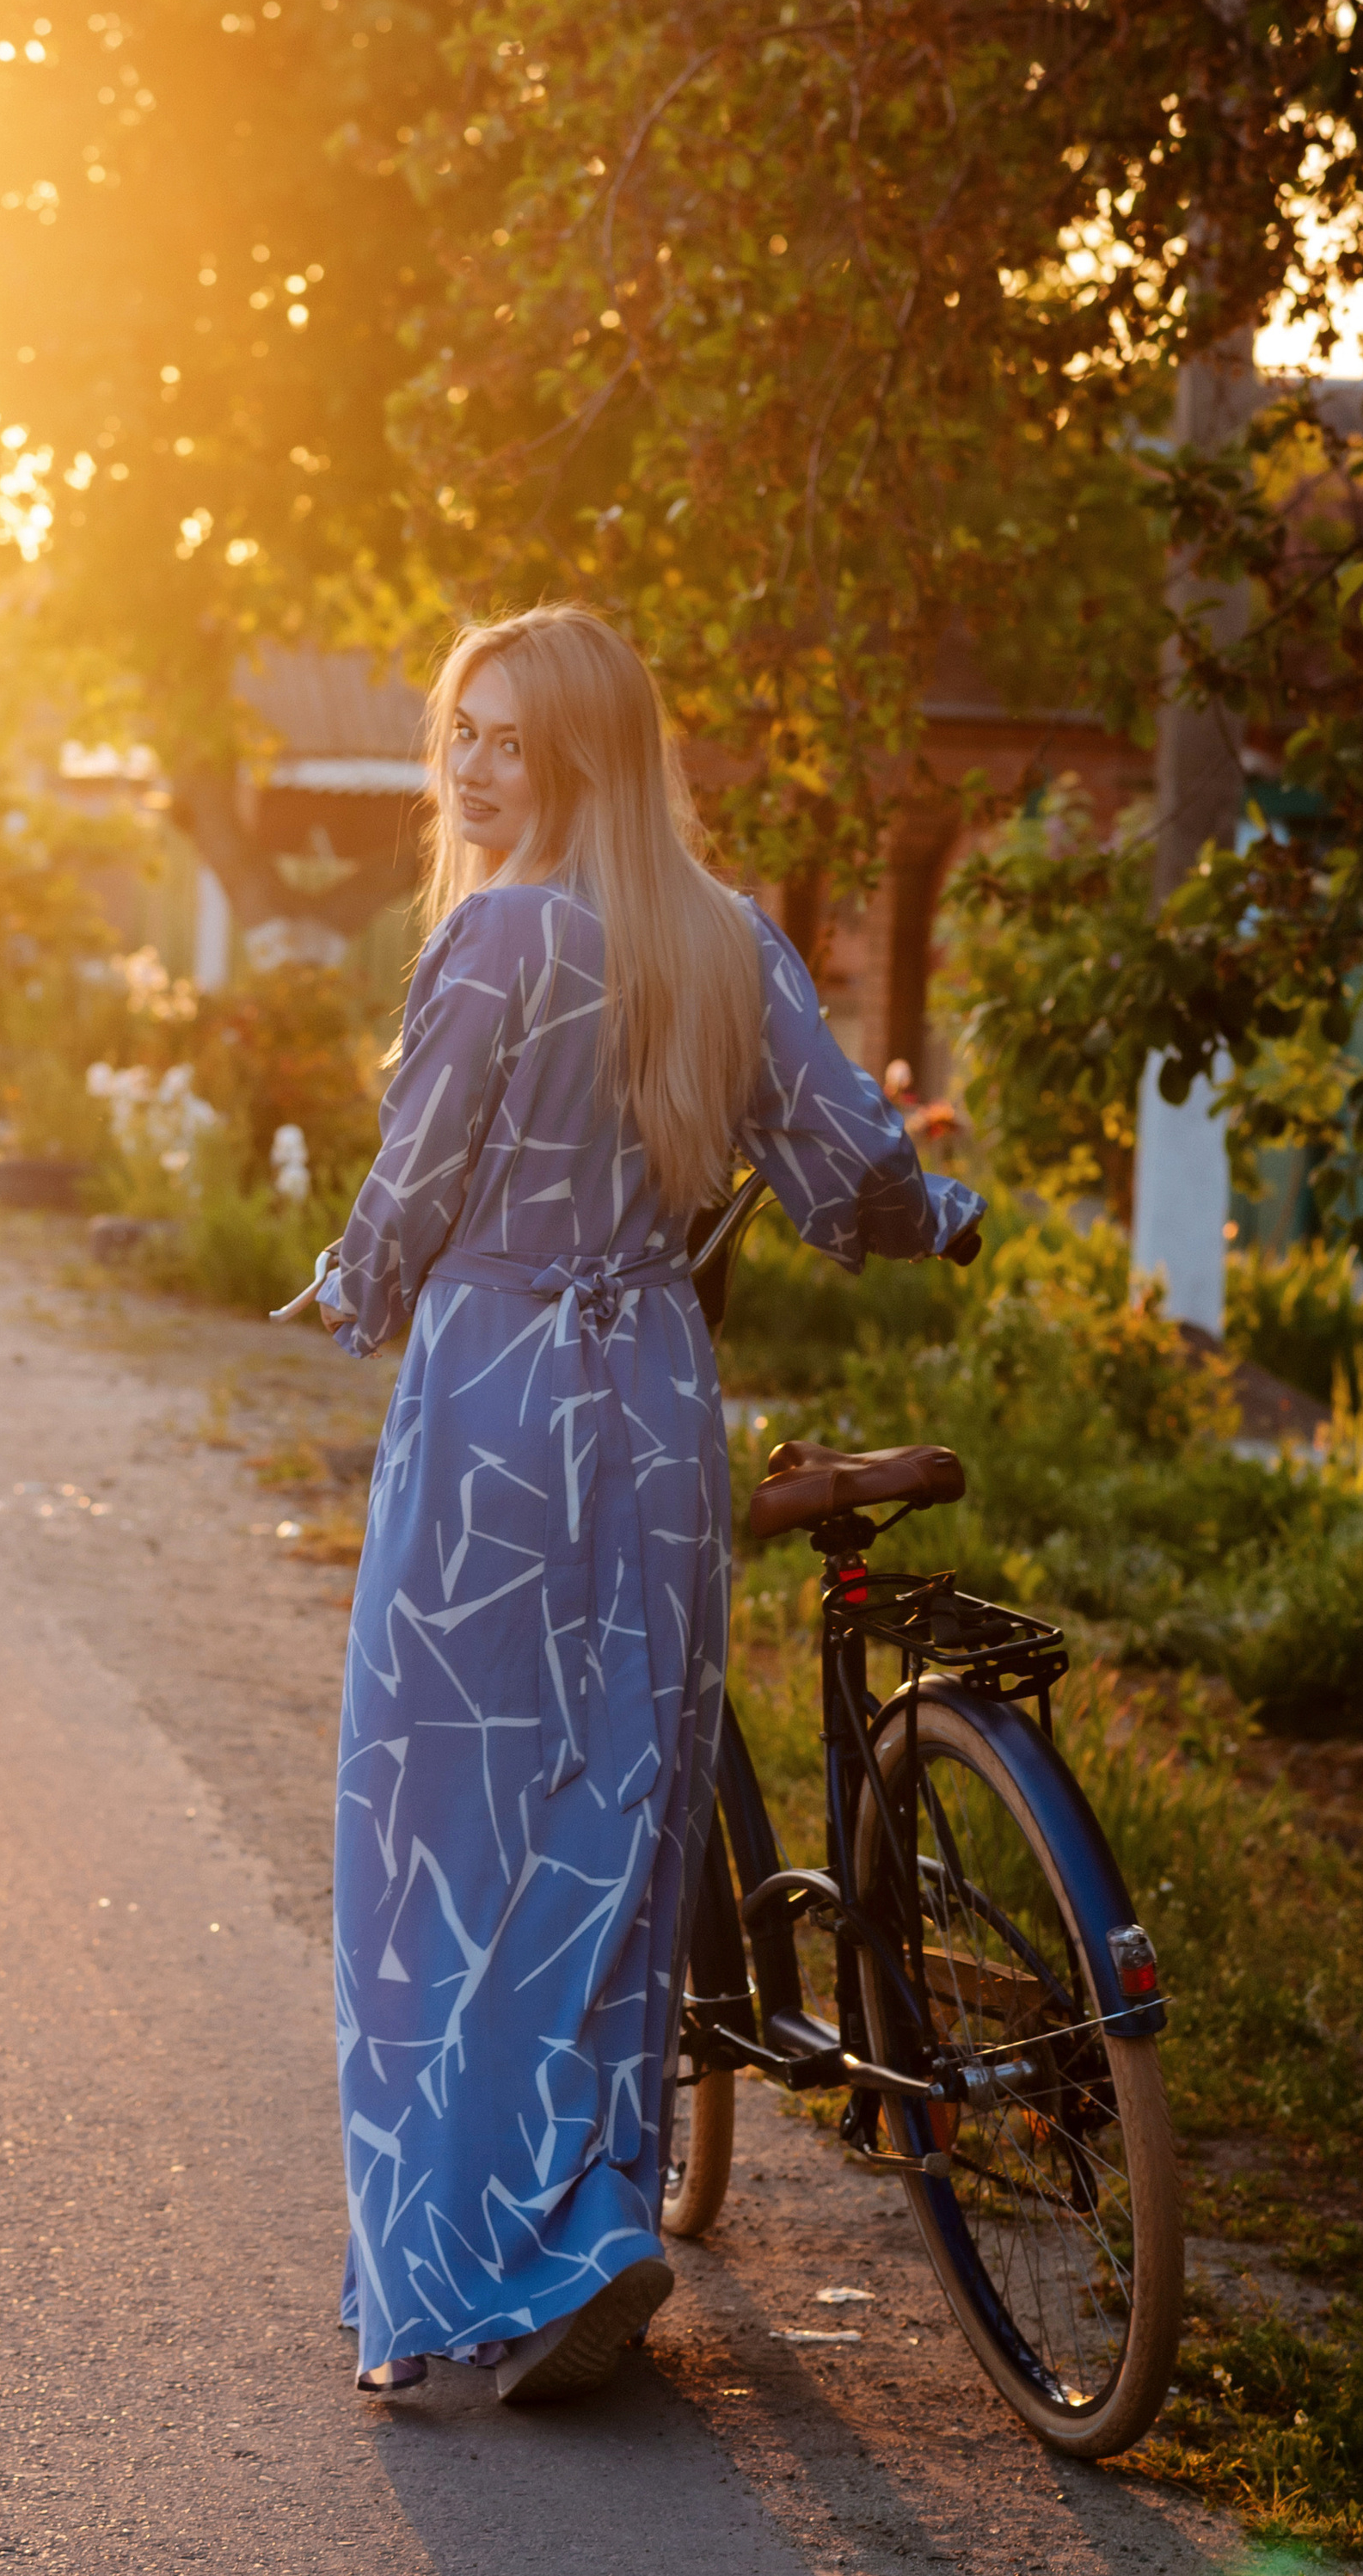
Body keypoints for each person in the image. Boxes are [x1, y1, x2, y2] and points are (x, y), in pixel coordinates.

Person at [315, 604, 982, 2405]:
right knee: (617, 1803)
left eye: (505, 741)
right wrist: (945, 1220)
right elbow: (849, 1173)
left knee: (442, 1837)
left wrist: (343, 1288)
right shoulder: (724, 942)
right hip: (658, 1404)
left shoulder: (494, 941)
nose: (464, 766)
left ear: (582, 759)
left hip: (497, 1410)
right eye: (458, 728)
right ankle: (589, 2220)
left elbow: (413, 1192)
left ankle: (479, 2268)